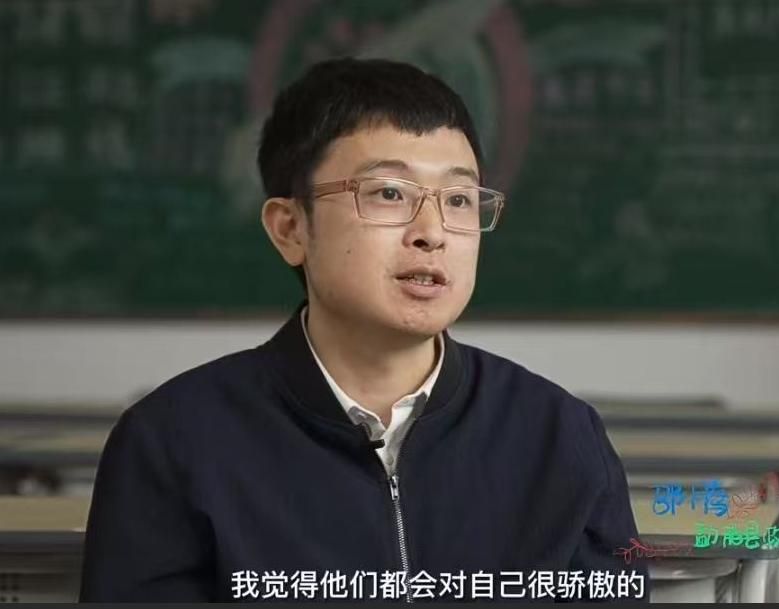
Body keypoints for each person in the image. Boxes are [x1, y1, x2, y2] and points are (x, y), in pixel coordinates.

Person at [79, 57, 646, 602]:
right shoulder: (173, 442)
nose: (432, 233)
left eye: (459, 199)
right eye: (389, 193)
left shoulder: (559, 436)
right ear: (290, 228)